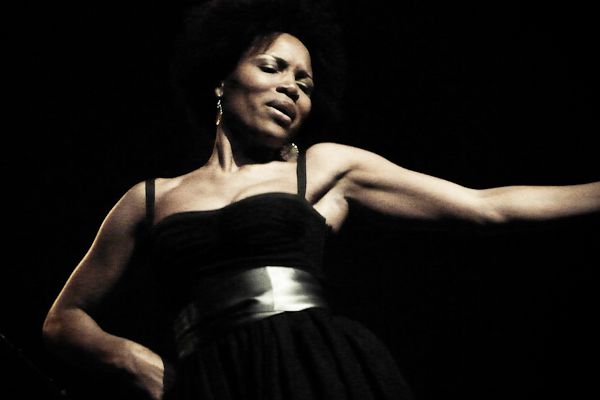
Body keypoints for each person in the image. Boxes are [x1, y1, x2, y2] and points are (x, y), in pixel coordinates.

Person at [41, 0, 600, 399]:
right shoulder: (149, 198)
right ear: (220, 81)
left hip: (314, 365)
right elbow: (64, 320)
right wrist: (132, 359)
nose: (291, 86)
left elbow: (486, 207)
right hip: (212, 380)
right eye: (272, 67)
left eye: (305, 84)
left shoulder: (324, 166)